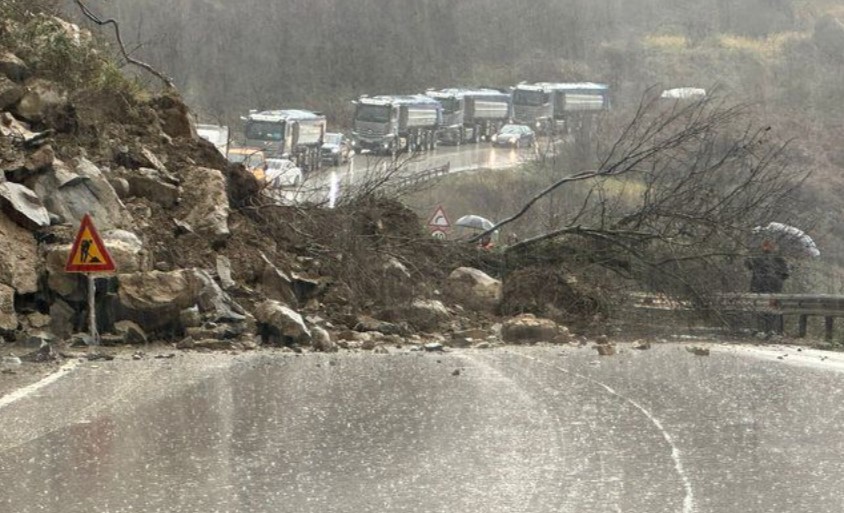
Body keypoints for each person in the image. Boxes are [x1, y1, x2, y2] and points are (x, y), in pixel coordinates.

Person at [745, 240, 790, 333]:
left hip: (764, 288)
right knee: (769, 309)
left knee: (766, 309)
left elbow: (748, 265)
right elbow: (786, 274)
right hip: (767, 288)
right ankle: (768, 329)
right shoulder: (777, 259)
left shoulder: (761, 258)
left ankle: (767, 329)